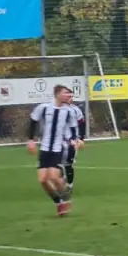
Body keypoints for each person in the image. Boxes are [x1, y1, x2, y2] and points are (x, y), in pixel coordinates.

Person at [28, 84, 81, 216]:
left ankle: (66, 197)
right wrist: (31, 140)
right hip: (45, 148)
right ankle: (58, 202)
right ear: (57, 94)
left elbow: (74, 128)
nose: (67, 96)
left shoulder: (69, 111)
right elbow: (33, 122)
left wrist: (75, 140)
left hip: (59, 148)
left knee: (54, 177)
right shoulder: (44, 108)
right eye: (65, 93)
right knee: (43, 180)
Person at [60, 95, 85, 198]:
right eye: (69, 97)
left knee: (68, 164)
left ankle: (69, 186)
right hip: (59, 141)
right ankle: (62, 182)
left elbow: (82, 123)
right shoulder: (56, 109)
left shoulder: (75, 110)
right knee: (57, 165)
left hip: (72, 142)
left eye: (72, 97)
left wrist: (81, 139)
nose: (71, 99)